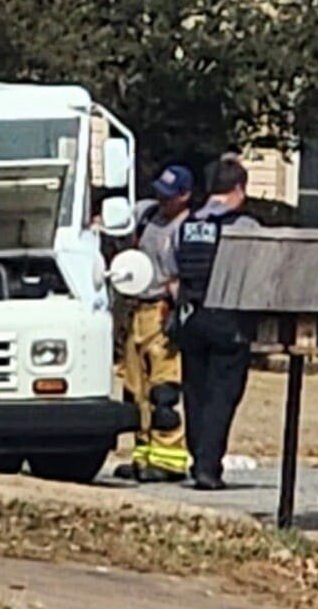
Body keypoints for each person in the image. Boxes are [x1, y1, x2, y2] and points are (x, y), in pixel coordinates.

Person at [164, 155, 260, 490]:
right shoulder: (244, 228)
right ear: (237, 189)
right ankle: (208, 466)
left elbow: (171, 275)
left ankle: (197, 458)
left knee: (195, 392)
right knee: (223, 395)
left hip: (190, 317)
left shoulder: (185, 226)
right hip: (228, 319)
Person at [111, 164, 193, 483]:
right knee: (135, 389)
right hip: (136, 308)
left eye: (169, 196)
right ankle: (142, 452)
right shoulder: (147, 216)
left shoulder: (185, 227)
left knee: (164, 390)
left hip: (162, 310)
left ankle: (169, 457)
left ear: (185, 197)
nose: (162, 200)